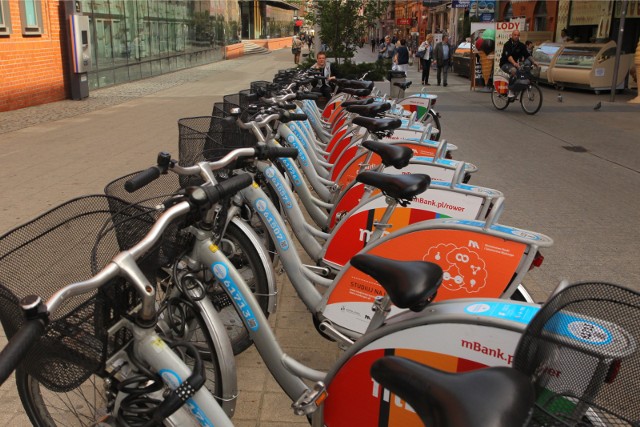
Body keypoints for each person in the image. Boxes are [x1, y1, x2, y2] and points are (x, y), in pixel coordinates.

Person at [499, 29, 539, 98]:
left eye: (518, 35)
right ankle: (510, 91)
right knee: (514, 70)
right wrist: (514, 63)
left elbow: (527, 55)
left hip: (514, 64)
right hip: (505, 64)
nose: (516, 36)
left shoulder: (521, 45)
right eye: (515, 35)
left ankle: (516, 89)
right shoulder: (507, 44)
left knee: (522, 72)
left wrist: (534, 62)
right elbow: (509, 56)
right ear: (512, 35)